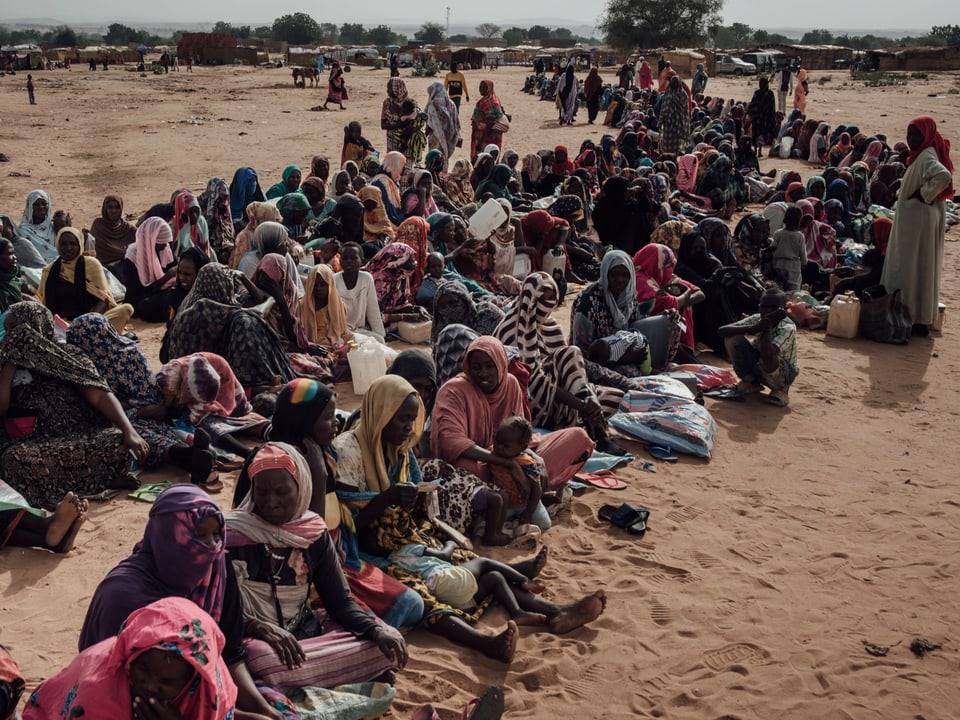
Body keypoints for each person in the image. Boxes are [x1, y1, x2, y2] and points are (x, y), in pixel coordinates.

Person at [335, 375, 606, 663]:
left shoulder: (399, 450)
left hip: (400, 538)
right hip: (362, 551)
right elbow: (346, 524)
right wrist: (388, 500)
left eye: (412, 419)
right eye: (401, 419)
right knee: (420, 594)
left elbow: (413, 500)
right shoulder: (348, 450)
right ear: (381, 412)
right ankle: (486, 642)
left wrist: (413, 501)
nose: (409, 427)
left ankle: (554, 612)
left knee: (464, 560)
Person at [226, 442, 407, 690]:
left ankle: (317, 675)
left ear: (301, 490)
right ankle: (343, 674)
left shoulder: (313, 533)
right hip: (255, 638)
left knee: (389, 639)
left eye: (281, 492)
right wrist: (258, 628)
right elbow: (217, 610)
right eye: (262, 492)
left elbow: (340, 602)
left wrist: (375, 630)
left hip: (305, 630)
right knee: (263, 662)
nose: (270, 502)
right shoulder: (232, 535)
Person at [0, 302, 148, 511]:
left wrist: (128, 431)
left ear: (36, 327)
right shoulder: (6, 364)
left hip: (78, 436)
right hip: (31, 443)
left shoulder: (68, 355)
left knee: (118, 443)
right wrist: (11, 363)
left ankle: (96, 480)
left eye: (17, 330)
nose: (12, 337)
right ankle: (94, 481)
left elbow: (100, 395)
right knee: (12, 460)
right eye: (8, 332)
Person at [24, 598, 237, 720]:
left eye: (168, 682)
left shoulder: (210, 691)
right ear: (131, 656)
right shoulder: (97, 692)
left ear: (195, 679)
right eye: (142, 668)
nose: (150, 686)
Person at [65, 313, 216, 485]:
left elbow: (111, 404)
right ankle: (190, 455)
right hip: (146, 414)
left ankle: (186, 456)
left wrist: (135, 411)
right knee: (147, 433)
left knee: (134, 435)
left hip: (143, 414)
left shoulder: (111, 359)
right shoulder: (125, 349)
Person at [167, 263, 296, 390]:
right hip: (198, 381)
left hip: (182, 373)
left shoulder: (192, 299)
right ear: (219, 284)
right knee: (246, 324)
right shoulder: (203, 307)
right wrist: (274, 299)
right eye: (227, 281)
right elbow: (256, 312)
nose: (230, 286)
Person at [880, 116, 954, 336]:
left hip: (918, 222)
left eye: (916, 135)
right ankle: (917, 316)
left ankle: (911, 316)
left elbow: (944, 175)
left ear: (926, 136)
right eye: (909, 134)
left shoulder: (927, 155)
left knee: (911, 266)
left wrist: (923, 194)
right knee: (919, 266)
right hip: (918, 221)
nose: (911, 139)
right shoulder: (922, 155)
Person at [36, 227, 133, 334]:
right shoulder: (49, 270)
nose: (68, 248)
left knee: (125, 310)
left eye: (73, 244)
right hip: (59, 324)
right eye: (64, 244)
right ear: (58, 246)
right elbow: (41, 301)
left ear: (80, 246)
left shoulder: (91, 265)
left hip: (89, 321)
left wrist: (87, 322)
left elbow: (104, 299)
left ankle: (86, 334)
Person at [718, 287, 798, 408]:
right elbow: (722, 331)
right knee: (732, 338)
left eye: (774, 307)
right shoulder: (757, 318)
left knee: (769, 356)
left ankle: (781, 391)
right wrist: (753, 328)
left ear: (784, 309)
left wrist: (766, 327)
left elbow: (768, 354)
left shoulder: (787, 328)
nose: (768, 311)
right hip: (760, 366)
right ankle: (751, 381)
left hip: (781, 375)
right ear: (759, 306)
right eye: (764, 307)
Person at [633, 244, 704, 359]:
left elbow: (700, 294)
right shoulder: (640, 280)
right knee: (671, 315)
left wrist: (676, 298)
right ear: (658, 263)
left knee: (680, 305)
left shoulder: (657, 276)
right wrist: (685, 294)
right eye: (668, 266)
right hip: (640, 334)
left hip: (652, 332)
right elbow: (667, 304)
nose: (670, 270)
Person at [486, 416, 547, 531]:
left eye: (506, 446)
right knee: (490, 523)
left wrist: (529, 511)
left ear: (522, 447)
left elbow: (536, 488)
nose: (499, 447)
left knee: (544, 524)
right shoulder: (491, 452)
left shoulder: (526, 463)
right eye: (497, 441)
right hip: (506, 505)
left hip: (525, 503)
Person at [116, 216, 177, 322]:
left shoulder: (164, 249)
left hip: (162, 292)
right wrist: (166, 277)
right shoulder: (133, 257)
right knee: (148, 306)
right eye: (162, 242)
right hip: (142, 297)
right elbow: (138, 292)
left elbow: (174, 267)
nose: (165, 246)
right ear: (151, 240)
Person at [334, 242, 386, 341]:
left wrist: (380, 335)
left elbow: (373, 310)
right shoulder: (334, 280)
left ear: (362, 261)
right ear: (340, 261)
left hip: (359, 331)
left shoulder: (366, 278)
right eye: (345, 258)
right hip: (339, 332)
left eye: (353, 258)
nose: (349, 261)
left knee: (379, 340)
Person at [89, 195, 137, 267]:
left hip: (126, 266)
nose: (114, 211)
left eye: (117, 207)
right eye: (110, 207)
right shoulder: (98, 226)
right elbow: (91, 250)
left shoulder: (128, 229)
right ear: (105, 209)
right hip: (103, 268)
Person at [17, 189, 57, 267]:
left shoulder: (54, 227)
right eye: (36, 204)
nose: (41, 207)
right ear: (30, 207)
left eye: (44, 203)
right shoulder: (23, 231)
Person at [425, 81, 461, 167]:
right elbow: (456, 121)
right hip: (450, 136)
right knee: (444, 157)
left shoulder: (433, 104)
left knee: (434, 158)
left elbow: (431, 124)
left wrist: (424, 137)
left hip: (436, 137)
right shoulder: (451, 103)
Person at [471, 80, 508, 159]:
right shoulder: (484, 101)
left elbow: (490, 124)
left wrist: (480, 141)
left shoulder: (492, 102)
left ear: (490, 88)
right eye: (480, 87)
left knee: (486, 159)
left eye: (484, 87)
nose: (481, 89)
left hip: (488, 137)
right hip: (480, 135)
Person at [771, 205, 805, 291]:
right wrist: (804, 263)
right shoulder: (800, 236)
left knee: (779, 289)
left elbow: (772, 249)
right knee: (793, 292)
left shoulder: (778, 233)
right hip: (793, 268)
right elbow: (803, 254)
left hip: (778, 266)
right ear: (799, 221)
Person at [658, 76, 691, 157]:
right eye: (673, 82)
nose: (675, 84)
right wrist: (661, 120)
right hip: (668, 124)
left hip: (678, 124)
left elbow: (685, 111)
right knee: (666, 144)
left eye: (676, 82)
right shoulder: (667, 92)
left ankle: (673, 159)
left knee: (676, 145)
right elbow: (664, 107)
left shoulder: (683, 95)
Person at [748, 77, 777, 158]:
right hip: (766, 119)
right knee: (762, 134)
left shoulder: (757, 93)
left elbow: (753, 105)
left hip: (757, 118)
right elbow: (772, 107)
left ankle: (756, 150)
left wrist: (752, 114)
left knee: (756, 134)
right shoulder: (770, 93)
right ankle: (759, 151)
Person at [381, 78, 410, 154]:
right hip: (392, 141)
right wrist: (398, 126)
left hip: (407, 142)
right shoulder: (387, 103)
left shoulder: (410, 104)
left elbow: (417, 123)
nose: (387, 91)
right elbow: (383, 125)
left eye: (390, 88)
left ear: (397, 88)